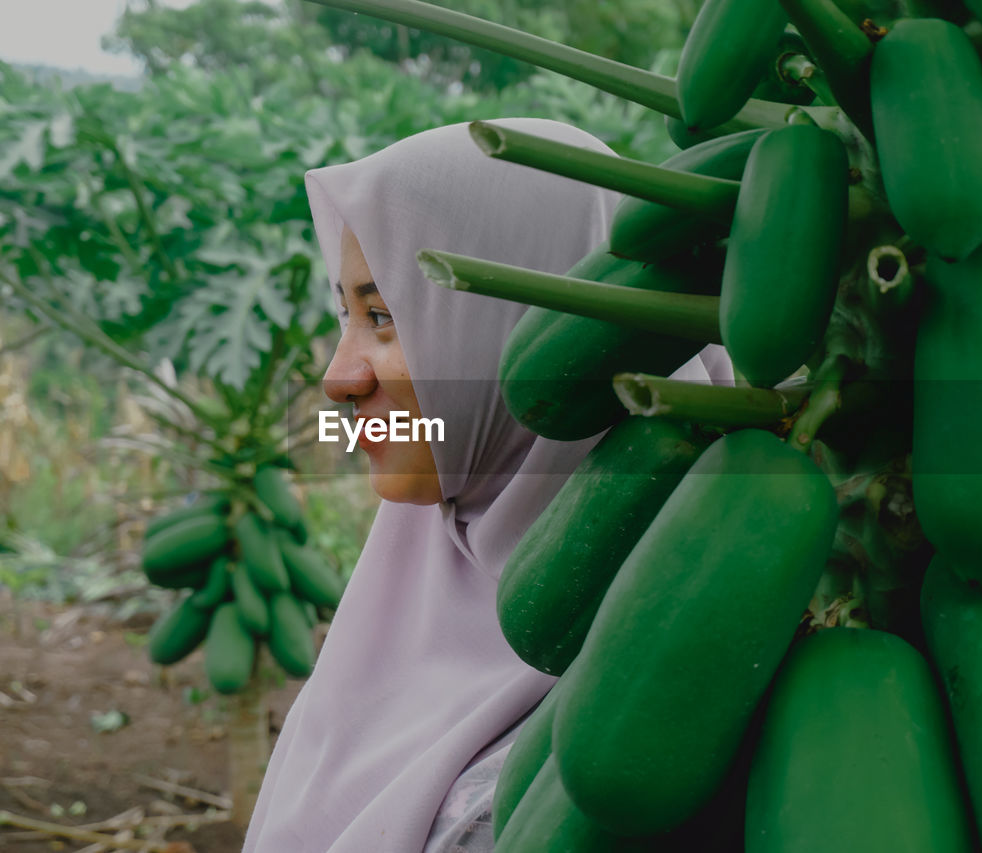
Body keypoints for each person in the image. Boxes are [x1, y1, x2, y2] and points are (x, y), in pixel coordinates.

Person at [241, 118, 732, 853]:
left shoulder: (649, 714)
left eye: (385, 316)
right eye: (346, 314)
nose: (338, 376)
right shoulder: (410, 576)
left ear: (523, 327)